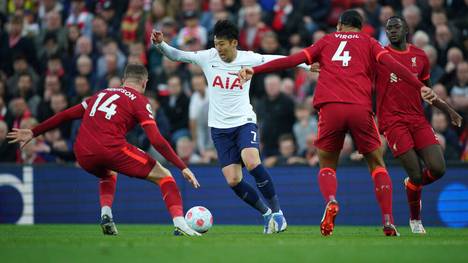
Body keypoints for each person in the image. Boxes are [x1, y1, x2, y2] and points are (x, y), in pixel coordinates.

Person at [238, 10, 437, 237]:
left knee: (327, 164)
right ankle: (388, 221)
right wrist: (419, 85)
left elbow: (292, 60)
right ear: (360, 28)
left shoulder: (327, 41)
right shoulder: (370, 43)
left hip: (330, 107)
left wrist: (255, 70)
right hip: (360, 109)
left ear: (340, 25)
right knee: (376, 163)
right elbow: (395, 66)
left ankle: (331, 200)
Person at [151, 20, 310, 234]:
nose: (219, 49)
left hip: (244, 121)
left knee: (252, 160)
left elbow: (281, 60)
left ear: (234, 43)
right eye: (216, 44)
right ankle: (267, 215)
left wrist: (306, 64)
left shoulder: (249, 58)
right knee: (234, 180)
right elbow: (179, 55)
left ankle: (279, 214)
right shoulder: (209, 57)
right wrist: (161, 44)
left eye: (223, 44)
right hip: (219, 128)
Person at [7, 64, 201, 237]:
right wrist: (182, 166)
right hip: (109, 149)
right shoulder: (140, 101)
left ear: (124, 80)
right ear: (144, 82)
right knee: (165, 176)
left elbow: (66, 114)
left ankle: (106, 214)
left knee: (108, 173)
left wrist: (34, 131)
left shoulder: (100, 93)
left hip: (82, 153)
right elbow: (157, 141)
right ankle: (180, 224)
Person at [375, 16, 462, 234]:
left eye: (396, 27)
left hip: (417, 119)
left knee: (438, 168)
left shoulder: (420, 56)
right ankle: (415, 220)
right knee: (415, 174)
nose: (392, 31)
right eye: (388, 29)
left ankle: (411, 186)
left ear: (406, 29)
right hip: (393, 122)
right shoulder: (380, 57)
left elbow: (427, 91)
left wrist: (448, 110)